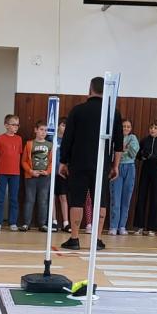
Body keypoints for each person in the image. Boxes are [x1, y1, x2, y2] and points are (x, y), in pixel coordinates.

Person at [58, 76, 125, 251]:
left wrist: (63, 161)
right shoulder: (113, 112)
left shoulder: (77, 110)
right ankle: (97, 239)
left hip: (78, 162)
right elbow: (119, 143)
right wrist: (115, 165)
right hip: (102, 164)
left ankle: (74, 239)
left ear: (90, 88)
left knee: (77, 200)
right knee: (100, 200)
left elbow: (67, 139)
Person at [108, 119, 140, 236]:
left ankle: (122, 226)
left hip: (129, 168)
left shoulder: (133, 138)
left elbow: (133, 153)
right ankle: (113, 226)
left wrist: (124, 149)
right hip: (117, 167)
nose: (126, 128)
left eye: (128, 126)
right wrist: (123, 148)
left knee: (126, 198)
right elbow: (113, 152)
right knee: (115, 199)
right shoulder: (114, 138)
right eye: (123, 126)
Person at [0, 114, 23, 231]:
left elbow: (18, 156)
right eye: (13, 124)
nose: (16, 127)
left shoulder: (19, 139)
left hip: (15, 174)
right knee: (0, 198)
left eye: (17, 125)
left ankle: (13, 222)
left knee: (13, 198)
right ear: (6, 125)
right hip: (1, 173)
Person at [21, 120, 54, 232]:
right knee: (29, 200)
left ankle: (42, 224)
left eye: (45, 130)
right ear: (35, 130)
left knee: (43, 200)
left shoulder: (50, 145)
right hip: (31, 177)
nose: (43, 132)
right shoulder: (29, 144)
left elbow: (52, 161)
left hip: (44, 177)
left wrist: (47, 171)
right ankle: (26, 223)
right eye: (41, 129)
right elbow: (24, 161)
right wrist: (30, 171)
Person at [54, 118, 70, 232]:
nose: (64, 128)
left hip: (62, 173)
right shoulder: (51, 138)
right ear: (58, 126)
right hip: (51, 172)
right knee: (52, 197)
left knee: (63, 197)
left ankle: (66, 222)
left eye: (66, 126)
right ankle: (54, 221)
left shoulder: (68, 140)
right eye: (63, 125)